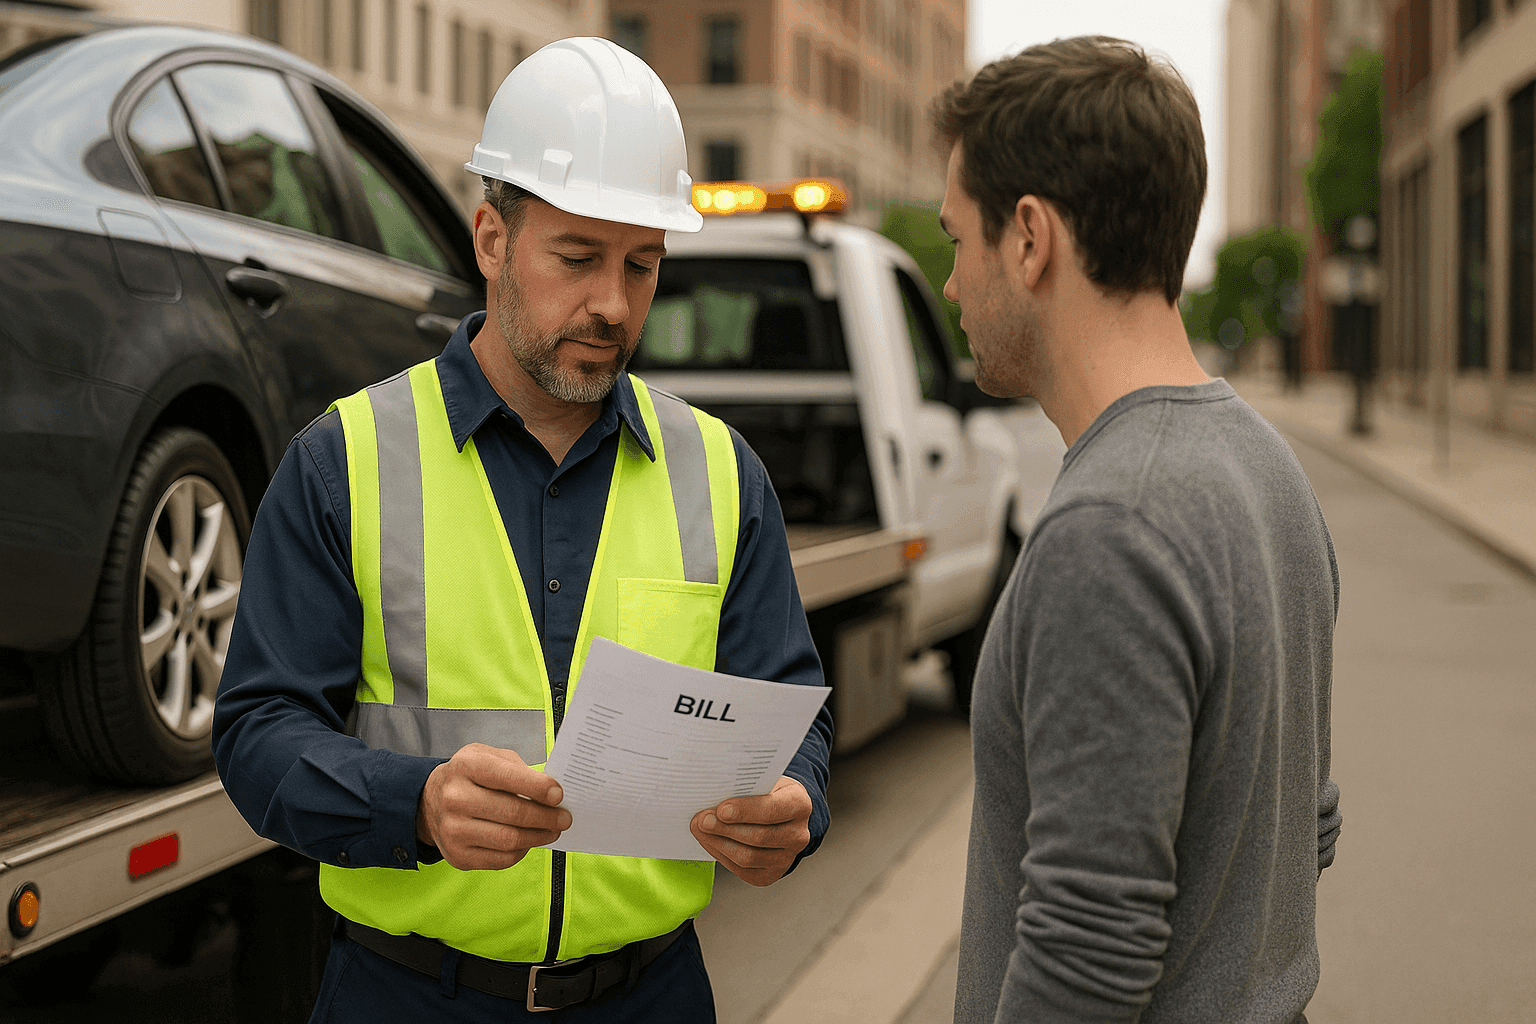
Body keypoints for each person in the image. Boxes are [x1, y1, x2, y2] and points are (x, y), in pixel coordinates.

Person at [212, 37, 832, 1023]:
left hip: (652, 993)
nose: (613, 303)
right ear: (492, 239)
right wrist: (411, 802)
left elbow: (789, 707)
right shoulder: (347, 458)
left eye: (643, 265)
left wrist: (795, 802)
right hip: (406, 994)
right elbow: (258, 732)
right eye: (578, 258)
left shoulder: (719, 471)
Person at [933, 37, 1342, 1023]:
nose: (949, 285)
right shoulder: (1268, 467)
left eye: (957, 240)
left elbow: (1087, 955)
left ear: (1030, 239)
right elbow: (1305, 825)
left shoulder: (1112, 527)